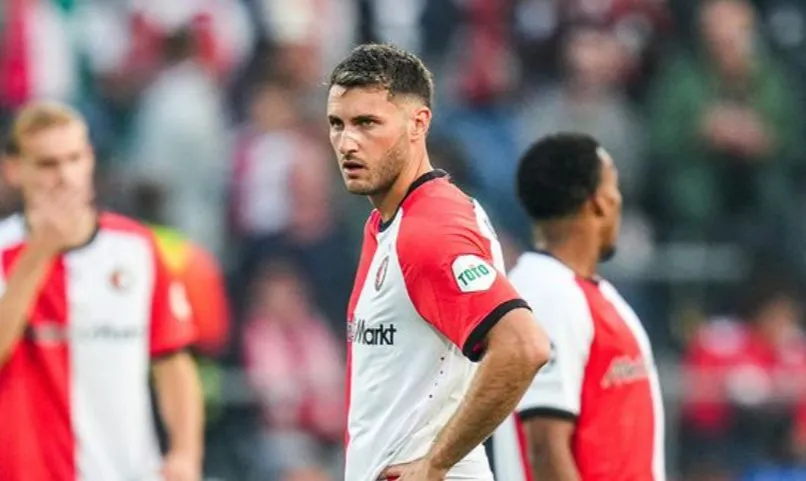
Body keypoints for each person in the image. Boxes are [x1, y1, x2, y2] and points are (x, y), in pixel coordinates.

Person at [326, 43, 551, 481]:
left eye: (367, 123)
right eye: (338, 124)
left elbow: (524, 345)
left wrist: (437, 463)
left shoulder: (430, 228)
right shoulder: (387, 221)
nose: (347, 142)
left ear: (418, 123)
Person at [0, 102, 204, 481]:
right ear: (14, 170)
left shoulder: (137, 248)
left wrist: (184, 454)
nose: (65, 176)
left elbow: (173, 361)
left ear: (90, 160)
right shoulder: (3, 252)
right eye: (47, 164)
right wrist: (40, 252)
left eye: (74, 158)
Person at [490, 133, 665, 480]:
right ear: (597, 202)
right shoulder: (548, 294)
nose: (619, 200)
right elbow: (545, 446)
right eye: (614, 187)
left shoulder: (584, 292)